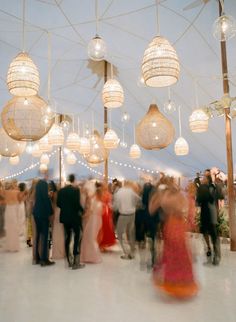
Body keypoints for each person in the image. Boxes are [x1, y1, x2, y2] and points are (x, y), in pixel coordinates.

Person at [149, 183, 198, 299]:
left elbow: (151, 210)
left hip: (172, 225)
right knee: (179, 253)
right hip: (177, 225)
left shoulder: (166, 197)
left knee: (174, 253)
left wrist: (158, 198)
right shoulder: (180, 197)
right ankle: (181, 281)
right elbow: (186, 210)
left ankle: (175, 281)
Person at [57, 174, 84, 269]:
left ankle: (69, 261)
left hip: (65, 218)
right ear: (74, 179)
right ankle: (76, 263)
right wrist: (83, 211)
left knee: (67, 238)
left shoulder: (61, 191)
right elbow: (77, 205)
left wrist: (66, 209)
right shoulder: (76, 190)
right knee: (77, 237)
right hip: (75, 218)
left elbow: (58, 204)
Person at [197, 175, 221, 265]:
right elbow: (199, 201)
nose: (202, 179)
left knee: (213, 234)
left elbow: (213, 200)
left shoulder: (212, 188)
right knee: (204, 232)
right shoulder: (201, 188)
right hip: (204, 213)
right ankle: (209, 248)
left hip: (211, 214)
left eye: (204, 178)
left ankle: (216, 254)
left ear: (208, 180)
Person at [114, 181, 140, 259]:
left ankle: (126, 253)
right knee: (131, 234)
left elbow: (116, 206)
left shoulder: (119, 193)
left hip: (123, 215)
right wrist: (134, 206)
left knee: (120, 234)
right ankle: (132, 252)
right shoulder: (131, 191)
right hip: (132, 214)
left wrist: (111, 206)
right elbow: (138, 199)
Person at [33, 173, 55, 266]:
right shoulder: (44, 184)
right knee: (45, 237)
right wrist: (51, 212)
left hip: (36, 212)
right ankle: (44, 260)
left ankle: (37, 258)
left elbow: (40, 198)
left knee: (37, 236)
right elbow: (45, 199)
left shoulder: (37, 184)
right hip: (43, 214)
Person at [80, 182, 103, 264]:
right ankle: (92, 256)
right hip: (97, 220)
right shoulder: (100, 202)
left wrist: (82, 217)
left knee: (88, 238)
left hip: (91, 221)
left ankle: (90, 257)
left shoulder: (92, 201)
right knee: (92, 238)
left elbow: (88, 213)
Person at [0, 181, 22, 252]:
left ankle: (9, 246)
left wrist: (2, 186)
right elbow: (20, 200)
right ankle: (15, 246)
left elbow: (1, 195)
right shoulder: (17, 192)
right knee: (14, 228)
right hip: (14, 209)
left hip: (8, 209)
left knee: (9, 228)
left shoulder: (5, 192)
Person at [98, 184, 116, 250]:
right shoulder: (108, 194)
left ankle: (102, 244)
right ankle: (103, 244)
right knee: (106, 227)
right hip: (106, 211)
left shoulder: (100, 194)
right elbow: (110, 204)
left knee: (103, 227)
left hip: (103, 211)